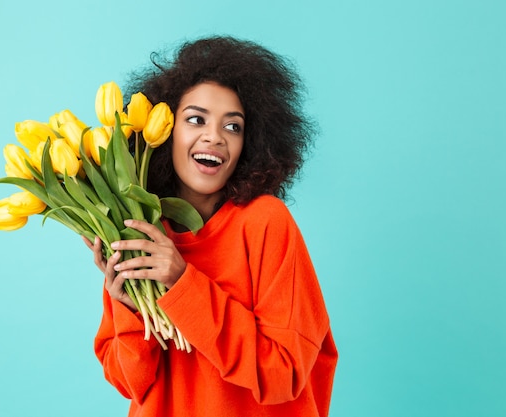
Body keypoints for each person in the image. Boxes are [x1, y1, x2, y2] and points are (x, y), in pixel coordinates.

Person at [84, 36, 338, 417]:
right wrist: (128, 307)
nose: (214, 137)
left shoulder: (266, 222)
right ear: (166, 130)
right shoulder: (139, 232)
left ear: (250, 143)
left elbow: (285, 373)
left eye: (233, 127)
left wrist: (182, 280)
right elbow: (127, 381)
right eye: (196, 119)